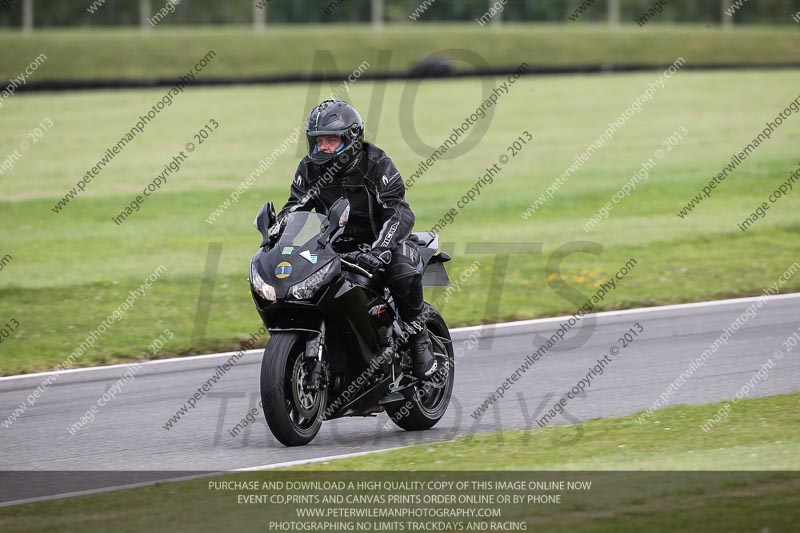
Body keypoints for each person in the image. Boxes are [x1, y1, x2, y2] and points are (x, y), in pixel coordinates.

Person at [276, 99, 437, 380]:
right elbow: (295, 207)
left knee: (401, 272)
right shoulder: (309, 168)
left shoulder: (376, 163)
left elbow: (398, 211)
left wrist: (381, 248)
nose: (323, 147)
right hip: (335, 246)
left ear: (351, 139)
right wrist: (277, 236)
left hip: (385, 243)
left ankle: (419, 338)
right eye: (318, 141)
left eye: (331, 140)